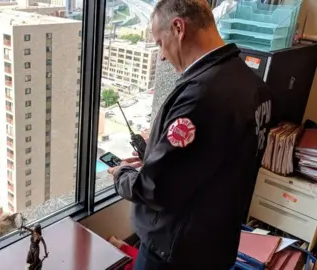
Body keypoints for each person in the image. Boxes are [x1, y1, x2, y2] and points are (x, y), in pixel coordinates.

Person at [107, 0, 273, 269]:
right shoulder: (254, 86)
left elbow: (156, 189)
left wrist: (122, 176)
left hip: (175, 251)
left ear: (178, 28)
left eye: (160, 43)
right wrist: (159, 153)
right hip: (218, 243)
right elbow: (213, 157)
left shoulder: (200, 95)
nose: (161, 55)